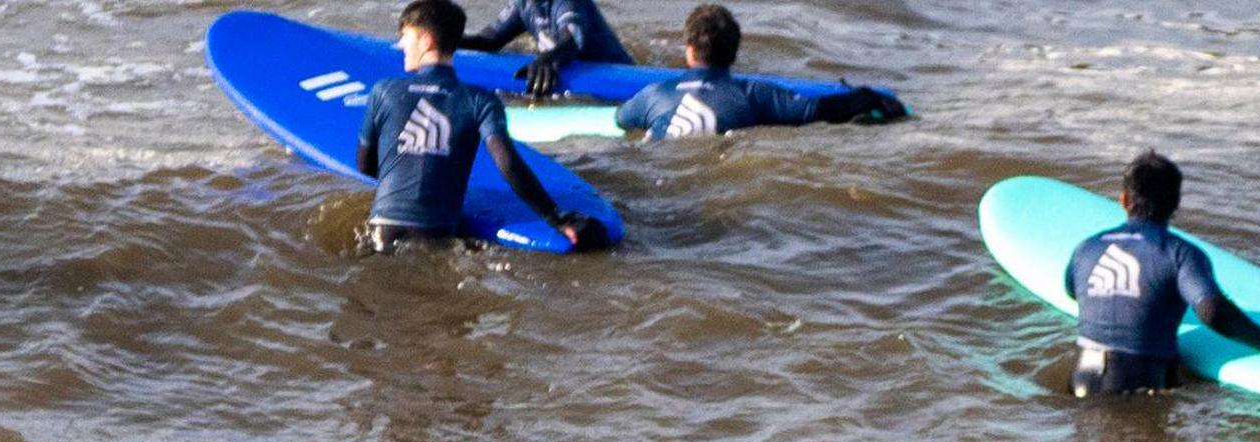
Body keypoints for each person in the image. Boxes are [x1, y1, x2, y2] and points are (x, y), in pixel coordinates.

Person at [1062, 151, 1260, 397]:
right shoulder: (1179, 253)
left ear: (1124, 200)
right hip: (1139, 388)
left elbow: (1075, 291)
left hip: (1080, 381)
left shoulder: (1086, 248)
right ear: (1176, 204)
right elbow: (1214, 312)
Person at [357, 0, 599, 250]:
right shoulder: (480, 100)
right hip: (436, 235)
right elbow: (508, 164)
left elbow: (365, 167)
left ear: (427, 41)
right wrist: (555, 217)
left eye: (405, 37)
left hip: (380, 231)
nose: (401, 45)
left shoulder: (383, 91)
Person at [610, 7, 906, 138]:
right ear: (735, 52)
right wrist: (869, 97)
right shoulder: (755, 94)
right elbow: (819, 110)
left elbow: (621, 119)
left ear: (688, 48)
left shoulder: (652, 94)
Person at [458, 0, 633, 99]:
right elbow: (487, 41)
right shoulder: (523, 4)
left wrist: (547, 60)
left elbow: (572, 40)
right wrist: (440, 37)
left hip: (617, 79)